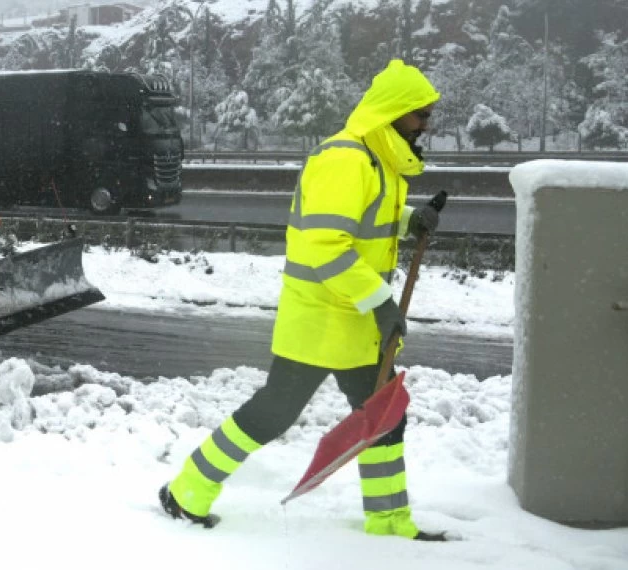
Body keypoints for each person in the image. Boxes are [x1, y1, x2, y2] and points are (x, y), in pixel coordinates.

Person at [158, 59, 446, 541]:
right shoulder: (346, 158)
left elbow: (364, 220)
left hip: (353, 321)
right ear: (394, 113)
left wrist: (410, 220)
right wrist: (380, 302)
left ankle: (390, 521)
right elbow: (323, 243)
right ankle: (186, 490)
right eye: (421, 114)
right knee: (273, 414)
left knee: (384, 417)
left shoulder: (380, 161)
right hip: (320, 319)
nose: (427, 125)